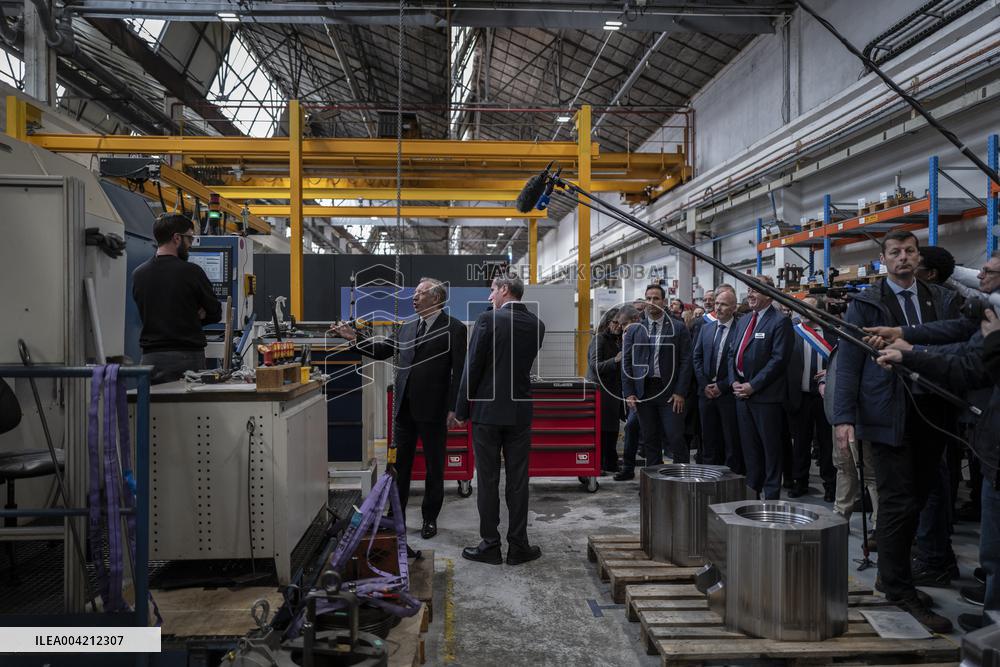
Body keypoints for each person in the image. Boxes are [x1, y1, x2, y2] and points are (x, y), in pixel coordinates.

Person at [833, 230, 959, 633]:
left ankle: (894, 575)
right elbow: (849, 361)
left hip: (932, 412)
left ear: (918, 257)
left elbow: (951, 345)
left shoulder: (937, 298)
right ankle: (899, 590)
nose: (903, 258)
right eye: (895, 252)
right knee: (896, 503)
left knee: (920, 498)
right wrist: (844, 417)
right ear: (883, 259)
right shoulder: (868, 304)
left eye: (909, 251)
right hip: (887, 413)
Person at [334, 278, 467, 540]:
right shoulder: (406, 327)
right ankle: (397, 516)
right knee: (399, 467)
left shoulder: (454, 328)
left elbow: (460, 372)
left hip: (435, 409)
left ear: (436, 298)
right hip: (404, 408)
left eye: (419, 294)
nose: (414, 298)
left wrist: (455, 408)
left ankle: (430, 518)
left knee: (434, 467)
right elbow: (384, 350)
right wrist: (355, 339)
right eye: (415, 293)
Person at [455, 272, 544, 566]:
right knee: (518, 480)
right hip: (520, 412)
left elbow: (473, 367)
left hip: (487, 413)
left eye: (492, 290)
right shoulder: (537, 325)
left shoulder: (488, 320)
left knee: (488, 480)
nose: (489, 296)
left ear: (505, 290)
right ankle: (519, 545)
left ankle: (490, 545)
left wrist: (461, 410)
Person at [131, 213, 222, 384]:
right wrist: (194, 316)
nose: (190, 245)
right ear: (177, 238)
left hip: (150, 361)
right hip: (186, 359)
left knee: (153, 409)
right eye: (190, 238)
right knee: (188, 409)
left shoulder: (138, 274)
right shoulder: (191, 272)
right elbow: (215, 312)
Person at [729, 276, 793, 499]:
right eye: (748, 289)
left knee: (770, 449)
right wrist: (733, 381)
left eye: (755, 290)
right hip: (742, 395)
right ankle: (752, 489)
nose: (750, 294)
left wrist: (753, 386)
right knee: (750, 447)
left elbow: (779, 360)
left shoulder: (779, 321)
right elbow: (732, 353)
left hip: (766, 397)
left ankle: (772, 493)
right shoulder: (744, 320)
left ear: (769, 294)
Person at [623, 285, 693, 465]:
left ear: (664, 301)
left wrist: (680, 392)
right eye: (648, 298)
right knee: (650, 439)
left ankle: (682, 482)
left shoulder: (678, 328)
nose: (652, 302)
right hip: (644, 392)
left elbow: (686, 361)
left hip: (669, 391)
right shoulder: (635, 329)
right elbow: (627, 363)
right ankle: (655, 486)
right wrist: (629, 392)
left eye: (656, 298)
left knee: (675, 437)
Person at [785, 297, 836, 500]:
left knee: (826, 444)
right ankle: (800, 482)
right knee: (800, 443)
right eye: (800, 308)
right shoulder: (792, 332)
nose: (802, 311)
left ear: (820, 312)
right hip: (801, 396)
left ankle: (830, 485)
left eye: (808, 308)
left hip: (826, 397)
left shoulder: (833, 333)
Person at [692, 288, 743, 472]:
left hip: (728, 394)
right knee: (708, 439)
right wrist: (704, 384)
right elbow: (696, 357)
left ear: (734, 308)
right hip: (705, 394)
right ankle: (709, 475)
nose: (718, 308)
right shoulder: (706, 328)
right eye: (717, 304)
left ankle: (731, 478)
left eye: (724, 304)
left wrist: (722, 386)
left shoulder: (740, 330)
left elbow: (740, 363)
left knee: (731, 440)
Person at [587, 307, 624, 474]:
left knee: (612, 429)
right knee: (602, 430)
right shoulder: (599, 339)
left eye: (621, 323)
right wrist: (615, 360)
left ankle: (610, 462)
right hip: (601, 391)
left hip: (613, 392)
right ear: (608, 322)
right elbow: (595, 366)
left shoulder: (619, 339)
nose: (618, 326)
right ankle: (600, 464)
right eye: (615, 322)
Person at [613, 305, 644, 481]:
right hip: (632, 394)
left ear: (635, 320)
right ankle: (628, 468)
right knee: (632, 428)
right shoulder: (625, 336)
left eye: (625, 324)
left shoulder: (642, 334)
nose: (622, 328)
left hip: (645, 393)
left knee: (640, 431)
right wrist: (628, 393)